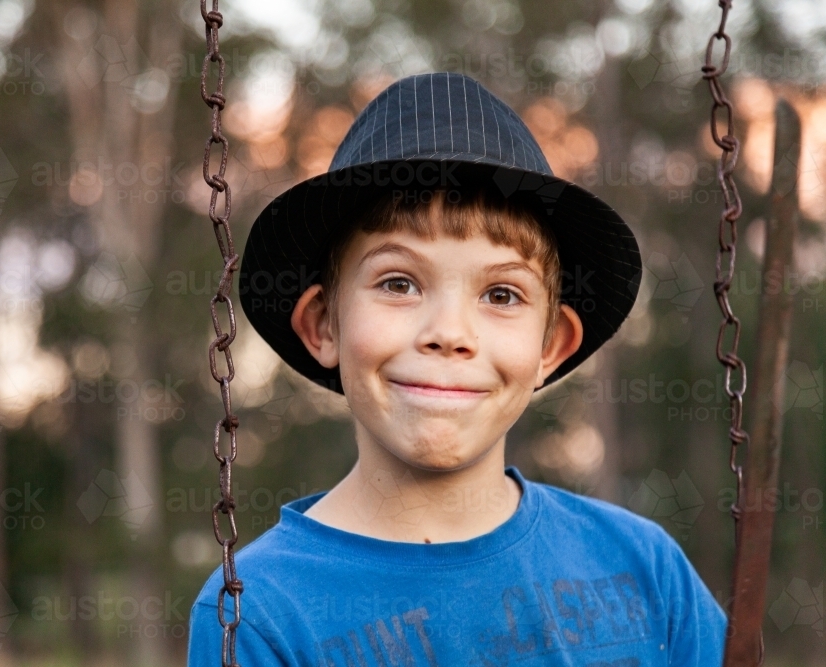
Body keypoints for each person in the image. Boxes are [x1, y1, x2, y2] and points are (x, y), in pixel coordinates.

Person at [187, 72, 727, 666]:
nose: (449, 334)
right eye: (399, 283)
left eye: (501, 295)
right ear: (324, 325)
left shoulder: (643, 568)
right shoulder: (260, 611)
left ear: (553, 345)